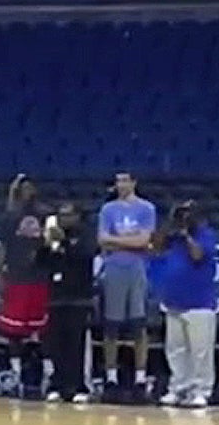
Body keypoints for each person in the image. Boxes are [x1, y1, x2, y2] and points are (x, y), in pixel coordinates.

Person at [97, 172, 156, 401]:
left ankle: (140, 379)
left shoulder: (146, 209)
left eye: (125, 180)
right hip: (113, 269)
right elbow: (102, 239)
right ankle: (111, 378)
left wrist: (117, 241)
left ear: (134, 182)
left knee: (139, 326)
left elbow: (144, 241)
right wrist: (131, 241)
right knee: (111, 326)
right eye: (118, 180)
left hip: (137, 269)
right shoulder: (108, 209)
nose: (120, 184)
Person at [152, 201, 216, 408]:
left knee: (200, 350)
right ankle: (179, 387)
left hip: (200, 302)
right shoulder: (174, 236)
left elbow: (198, 255)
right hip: (174, 300)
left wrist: (187, 233)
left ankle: (201, 390)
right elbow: (156, 245)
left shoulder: (206, 234)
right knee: (175, 349)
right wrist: (169, 223)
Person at [36, 202, 97, 403]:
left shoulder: (85, 234)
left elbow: (86, 255)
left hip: (78, 298)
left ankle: (80, 386)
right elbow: (40, 263)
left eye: (68, 215)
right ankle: (58, 385)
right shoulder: (52, 236)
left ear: (77, 216)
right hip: (56, 298)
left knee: (76, 345)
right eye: (60, 215)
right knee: (56, 345)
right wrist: (46, 246)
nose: (64, 219)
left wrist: (66, 244)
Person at [0, 175, 53, 394]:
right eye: (24, 187)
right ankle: (15, 372)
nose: (28, 190)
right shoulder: (10, 216)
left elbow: (53, 245)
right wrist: (2, 272)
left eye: (31, 186)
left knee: (43, 329)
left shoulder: (46, 214)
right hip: (17, 279)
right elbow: (3, 247)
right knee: (13, 331)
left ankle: (49, 371)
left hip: (39, 278)